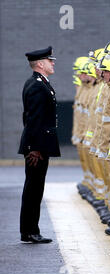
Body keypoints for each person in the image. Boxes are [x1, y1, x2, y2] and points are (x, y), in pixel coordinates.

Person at [18, 46, 60, 244]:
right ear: (40, 64)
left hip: (40, 145)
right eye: (50, 60)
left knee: (35, 188)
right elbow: (32, 119)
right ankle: (29, 232)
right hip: (37, 148)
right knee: (33, 189)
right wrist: (34, 148)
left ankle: (31, 230)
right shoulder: (36, 85)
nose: (53, 63)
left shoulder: (40, 82)